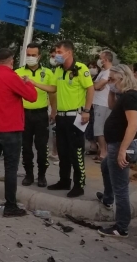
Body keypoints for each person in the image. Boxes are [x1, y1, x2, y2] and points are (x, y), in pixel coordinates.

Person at [0, 48, 38, 216]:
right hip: (11, 131)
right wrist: (28, 82)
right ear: (11, 61)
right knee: (10, 169)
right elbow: (32, 97)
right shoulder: (13, 78)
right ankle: (10, 206)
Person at [97, 64, 137, 238]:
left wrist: (122, 150)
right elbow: (111, 107)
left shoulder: (131, 97)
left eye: (112, 79)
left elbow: (133, 125)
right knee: (104, 167)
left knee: (121, 188)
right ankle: (107, 199)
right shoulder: (124, 95)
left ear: (123, 77)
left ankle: (121, 227)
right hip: (116, 144)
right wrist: (110, 90)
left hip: (122, 145)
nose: (110, 82)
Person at [47, 40, 94, 198]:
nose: (57, 55)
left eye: (59, 52)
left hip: (76, 117)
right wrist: (34, 84)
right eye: (56, 52)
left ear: (69, 52)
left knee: (76, 152)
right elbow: (53, 88)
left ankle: (79, 184)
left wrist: (87, 110)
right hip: (61, 117)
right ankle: (64, 181)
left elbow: (90, 89)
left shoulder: (81, 68)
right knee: (63, 151)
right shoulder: (58, 70)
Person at [15, 43, 57, 188]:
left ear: (39, 56)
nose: (30, 57)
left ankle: (42, 176)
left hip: (41, 114)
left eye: (33, 55)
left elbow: (53, 91)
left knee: (42, 147)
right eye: (28, 55)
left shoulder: (48, 72)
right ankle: (29, 174)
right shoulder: (18, 73)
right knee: (25, 147)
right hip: (23, 114)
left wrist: (54, 111)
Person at [92, 50, 114, 162]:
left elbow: (97, 86)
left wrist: (97, 85)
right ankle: (101, 151)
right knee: (97, 129)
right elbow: (96, 86)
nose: (99, 60)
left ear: (105, 59)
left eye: (100, 58)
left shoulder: (109, 72)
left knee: (99, 129)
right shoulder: (102, 72)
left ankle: (104, 153)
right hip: (97, 102)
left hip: (103, 104)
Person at [48, 46, 60, 164]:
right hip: (55, 106)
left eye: (54, 56)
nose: (52, 59)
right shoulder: (56, 71)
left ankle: (59, 155)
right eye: (51, 56)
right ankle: (55, 153)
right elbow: (52, 90)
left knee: (59, 133)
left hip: (65, 108)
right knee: (55, 131)